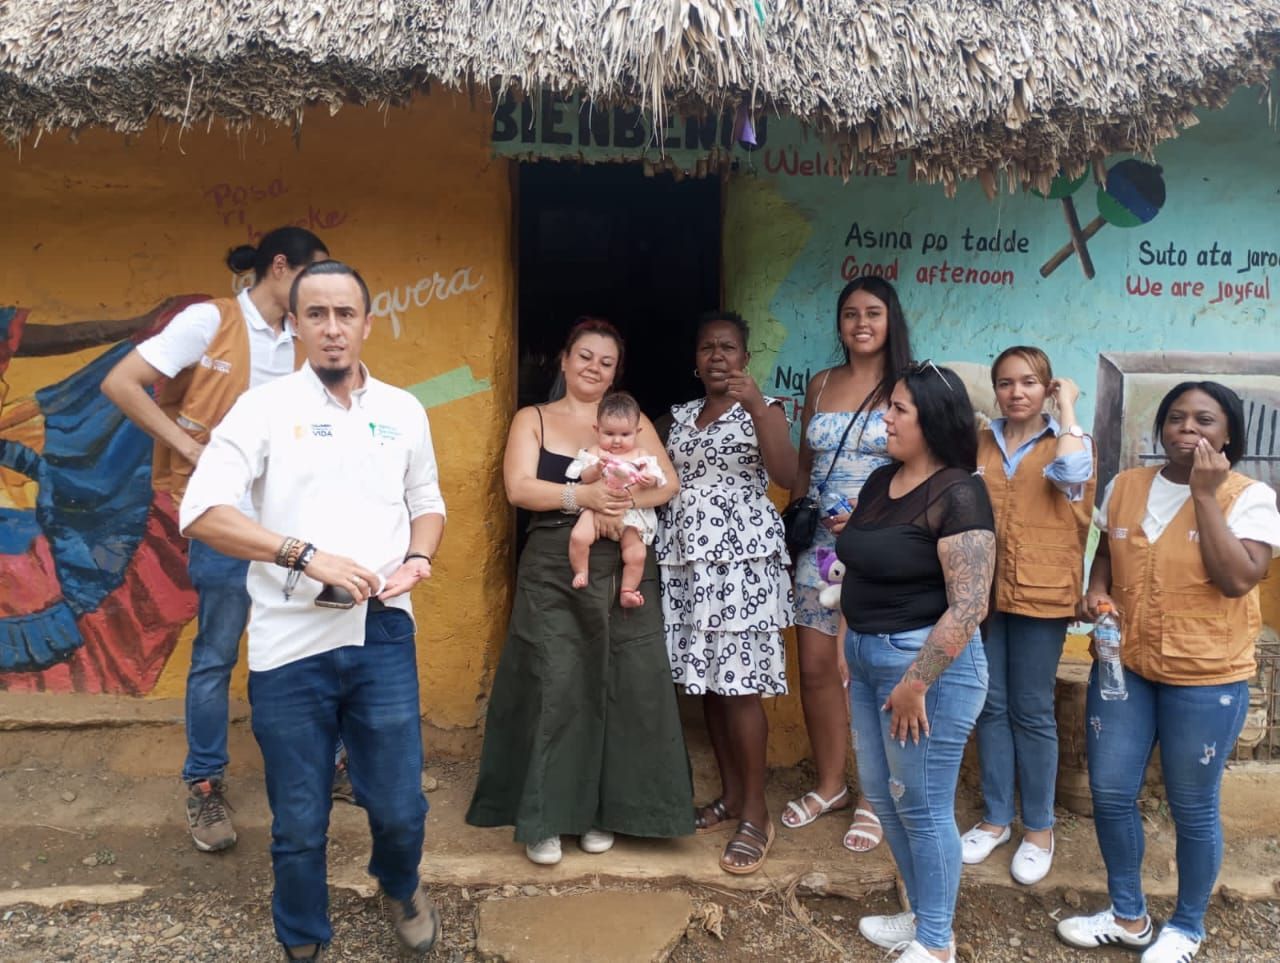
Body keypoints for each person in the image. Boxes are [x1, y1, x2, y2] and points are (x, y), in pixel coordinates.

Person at [178, 260, 445, 960]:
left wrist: (419, 558)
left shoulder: (403, 411)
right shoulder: (263, 410)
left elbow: (428, 502)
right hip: (289, 642)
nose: (332, 329)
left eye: (345, 314)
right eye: (316, 315)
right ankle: (302, 934)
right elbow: (201, 511)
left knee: (399, 806)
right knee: (298, 819)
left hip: (383, 631)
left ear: (367, 322)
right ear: (293, 324)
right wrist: (302, 554)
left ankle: (399, 881)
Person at [101, 227, 329, 852]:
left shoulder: (300, 337)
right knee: (217, 653)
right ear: (280, 267)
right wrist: (186, 447)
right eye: (311, 275)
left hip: (291, 520)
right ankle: (203, 786)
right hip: (226, 519)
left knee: (306, 643)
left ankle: (323, 764)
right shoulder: (210, 321)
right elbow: (121, 382)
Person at [1057, 381, 1280, 963]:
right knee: (1109, 792)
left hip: (1206, 676)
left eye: (1205, 420)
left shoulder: (1248, 497)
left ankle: (1187, 925)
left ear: (1229, 432)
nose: (1189, 429)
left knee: (1192, 804)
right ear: (1161, 428)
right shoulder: (1127, 486)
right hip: (1126, 667)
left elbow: (1237, 579)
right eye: (1177, 418)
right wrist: (1096, 591)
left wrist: (1205, 497)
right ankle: (1128, 915)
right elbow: (1105, 553)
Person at [466, 318, 695, 865]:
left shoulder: (630, 422)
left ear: (618, 372)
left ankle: (605, 812)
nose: (593, 368)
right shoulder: (534, 419)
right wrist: (585, 497)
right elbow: (519, 488)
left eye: (606, 362)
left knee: (626, 683)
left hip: (626, 562)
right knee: (556, 680)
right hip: (554, 563)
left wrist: (627, 501)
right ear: (564, 360)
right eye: (585, 356)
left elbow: (669, 483)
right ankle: (547, 817)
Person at [839, 362, 995, 963]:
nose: (886, 416)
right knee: (886, 792)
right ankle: (921, 917)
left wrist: (915, 684)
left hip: (927, 671)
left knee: (924, 804)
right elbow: (864, 562)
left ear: (932, 420)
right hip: (870, 657)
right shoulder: (884, 480)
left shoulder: (960, 491)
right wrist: (846, 640)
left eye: (899, 409)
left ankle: (936, 943)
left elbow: (970, 604)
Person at [656, 311, 797, 875]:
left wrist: (758, 404)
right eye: (708, 347)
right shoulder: (679, 416)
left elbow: (788, 475)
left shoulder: (768, 410)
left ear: (746, 356)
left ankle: (757, 814)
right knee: (710, 685)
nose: (718, 356)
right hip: (690, 562)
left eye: (729, 347)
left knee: (740, 688)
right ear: (695, 359)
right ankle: (734, 798)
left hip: (744, 562)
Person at [784, 277, 913, 853]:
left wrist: (873, 512)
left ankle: (873, 798)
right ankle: (832, 785)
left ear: (892, 320)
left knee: (869, 671)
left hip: (885, 545)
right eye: (850, 314)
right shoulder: (821, 383)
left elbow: (926, 466)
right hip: (822, 548)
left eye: (873, 312)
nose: (861, 323)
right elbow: (805, 467)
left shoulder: (911, 386)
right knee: (816, 667)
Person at [963, 347, 1095, 884]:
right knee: (990, 705)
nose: (1017, 393)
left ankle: (1039, 828)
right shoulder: (982, 440)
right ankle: (996, 819)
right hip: (986, 590)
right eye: (1005, 383)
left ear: (1048, 388)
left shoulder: (1070, 439)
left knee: (1032, 709)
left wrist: (1068, 411)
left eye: (1030, 383)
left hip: (1042, 593)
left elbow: (1071, 472)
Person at [567, 391, 665, 607]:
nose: (617, 441)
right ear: (597, 430)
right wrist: (596, 468)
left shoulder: (641, 455)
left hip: (630, 514)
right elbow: (583, 476)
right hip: (594, 507)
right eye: (609, 433)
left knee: (637, 553)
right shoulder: (595, 451)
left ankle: (628, 590)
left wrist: (649, 480)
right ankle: (581, 571)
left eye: (625, 434)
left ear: (637, 432)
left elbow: (659, 479)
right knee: (578, 536)